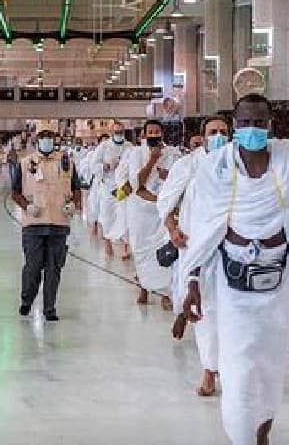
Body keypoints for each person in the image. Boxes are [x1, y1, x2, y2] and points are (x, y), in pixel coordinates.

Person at [179, 94, 289, 445]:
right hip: (234, 288)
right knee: (239, 372)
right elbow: (204, 227)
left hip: (277, 282)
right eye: (245, 122)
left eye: (260, 122)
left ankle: (260, 442)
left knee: (268, 370)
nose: (253, 128)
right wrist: (192, 280)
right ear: (236, 124)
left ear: (270, 124)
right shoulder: (216, 167)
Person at [158, 115, 231, 398]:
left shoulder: (239, 163)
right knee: (206, 310)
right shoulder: (188, 165)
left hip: (233, 248)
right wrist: (173, 229)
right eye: (213, 132)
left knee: (233, 311)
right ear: (203, 135)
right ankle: (209, 370)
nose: (218, 136)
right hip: (197, 247)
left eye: (223, 132)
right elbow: (167, 201)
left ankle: (231, 369)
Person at [11, 129, 84, 322]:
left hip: (58, 223)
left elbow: (77, 188)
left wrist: (74, 204)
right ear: (37, 142)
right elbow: (15, 192)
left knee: (54, 268)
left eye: (50, 139)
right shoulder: (26, 163)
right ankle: (27, 300)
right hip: (34, 223)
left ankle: (49, 307)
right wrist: (27, 206)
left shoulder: (66, 162)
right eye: (43, 139)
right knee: (33, 267)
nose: (47, 142)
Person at [124, 120, 183, 308]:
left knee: (165, 249)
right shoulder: (135, 153)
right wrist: (152, 160)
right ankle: (144, 286)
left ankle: (166, 292)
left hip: (164, 211)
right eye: (150, 132)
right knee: (142, 251)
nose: (154, 135)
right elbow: (136, 184)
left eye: (157, 131)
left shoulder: (173, 153)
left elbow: (177, 180)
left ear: (162, 134)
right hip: (141, 210)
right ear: (144, 134)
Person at [89, 124, 132, 259]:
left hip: (124, 187)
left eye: (121, 132)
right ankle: (108, 243)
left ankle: (126, 246)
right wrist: (106, 166)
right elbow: (93, 165)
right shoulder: (104, 147)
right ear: (112, 132)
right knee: (108, 215)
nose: (119, 134)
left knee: (125, 216)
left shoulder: (129, 147)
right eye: (116, 132)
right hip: (108, 186)